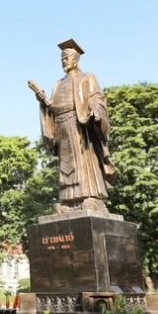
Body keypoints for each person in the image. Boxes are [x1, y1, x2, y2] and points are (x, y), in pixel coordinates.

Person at [29, 38, 117, 213]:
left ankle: (90, 198)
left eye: (66, 58)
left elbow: (96, 98)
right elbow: (52, 108)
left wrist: (96, 112)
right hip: (61, 126)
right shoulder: (58, 84)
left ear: (75, 60)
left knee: (83, 161)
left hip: (79, 125)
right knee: (66, 165)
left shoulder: (87, 77)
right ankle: (69, 202)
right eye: (61, 58)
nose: (63, 61)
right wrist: (42, 100)